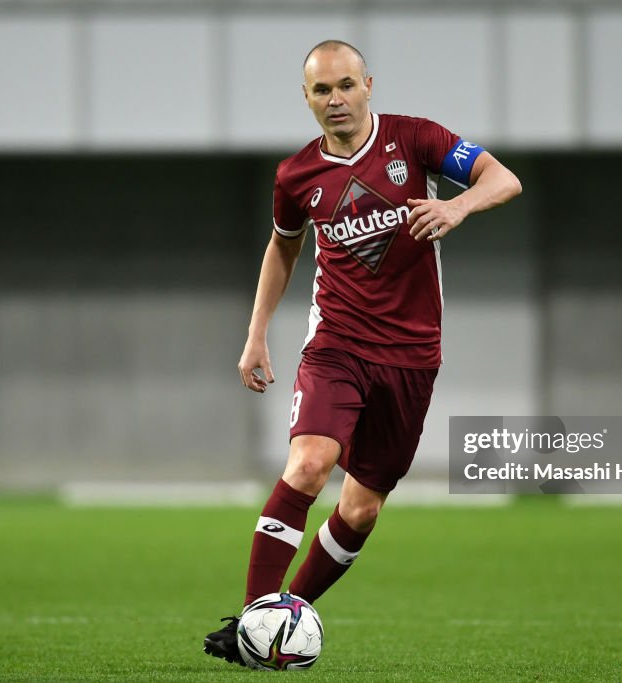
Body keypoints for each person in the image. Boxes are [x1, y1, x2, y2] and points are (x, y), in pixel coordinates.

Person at [203, 39, 522, 665]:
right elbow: (283, 248)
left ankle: (277, 625)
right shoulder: (296, 177)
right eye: (322, 90)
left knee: (362, 507)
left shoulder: (417, 140)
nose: (336, 100)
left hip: (411, 356)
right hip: (337, 345)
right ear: (307, 99)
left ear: (368, 85)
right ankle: (255, 625)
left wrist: (457, 205)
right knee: (308, 466)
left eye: (346, 85)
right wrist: (256, 333)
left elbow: (503, 178)